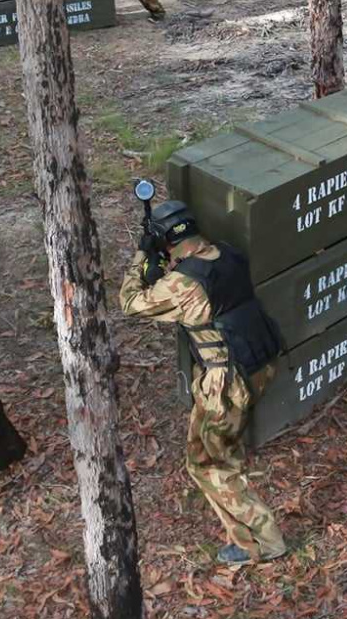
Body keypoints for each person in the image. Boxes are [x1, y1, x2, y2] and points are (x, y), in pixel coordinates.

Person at [119, 197, 286, 566]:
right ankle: (246, 518)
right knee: (210, 451)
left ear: (165, 240)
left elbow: (131, 302)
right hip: (255, 363)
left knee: (210, 465)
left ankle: (262, 542)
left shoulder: (184, 283)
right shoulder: (226, 255)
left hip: (225, 384)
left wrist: (140, 256)